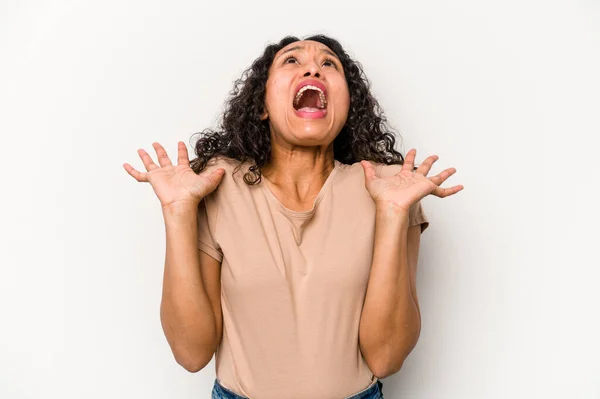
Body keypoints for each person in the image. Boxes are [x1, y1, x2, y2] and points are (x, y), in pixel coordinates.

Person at [123, 34, 463, 399]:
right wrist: (177, 212)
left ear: (348, 105)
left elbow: (386, 358)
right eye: (291, 61)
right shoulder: (218, 184)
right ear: (261, 105)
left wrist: (394, 213)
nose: (313, 67)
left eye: (329, 64)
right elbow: (191, 353)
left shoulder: (390, 186)